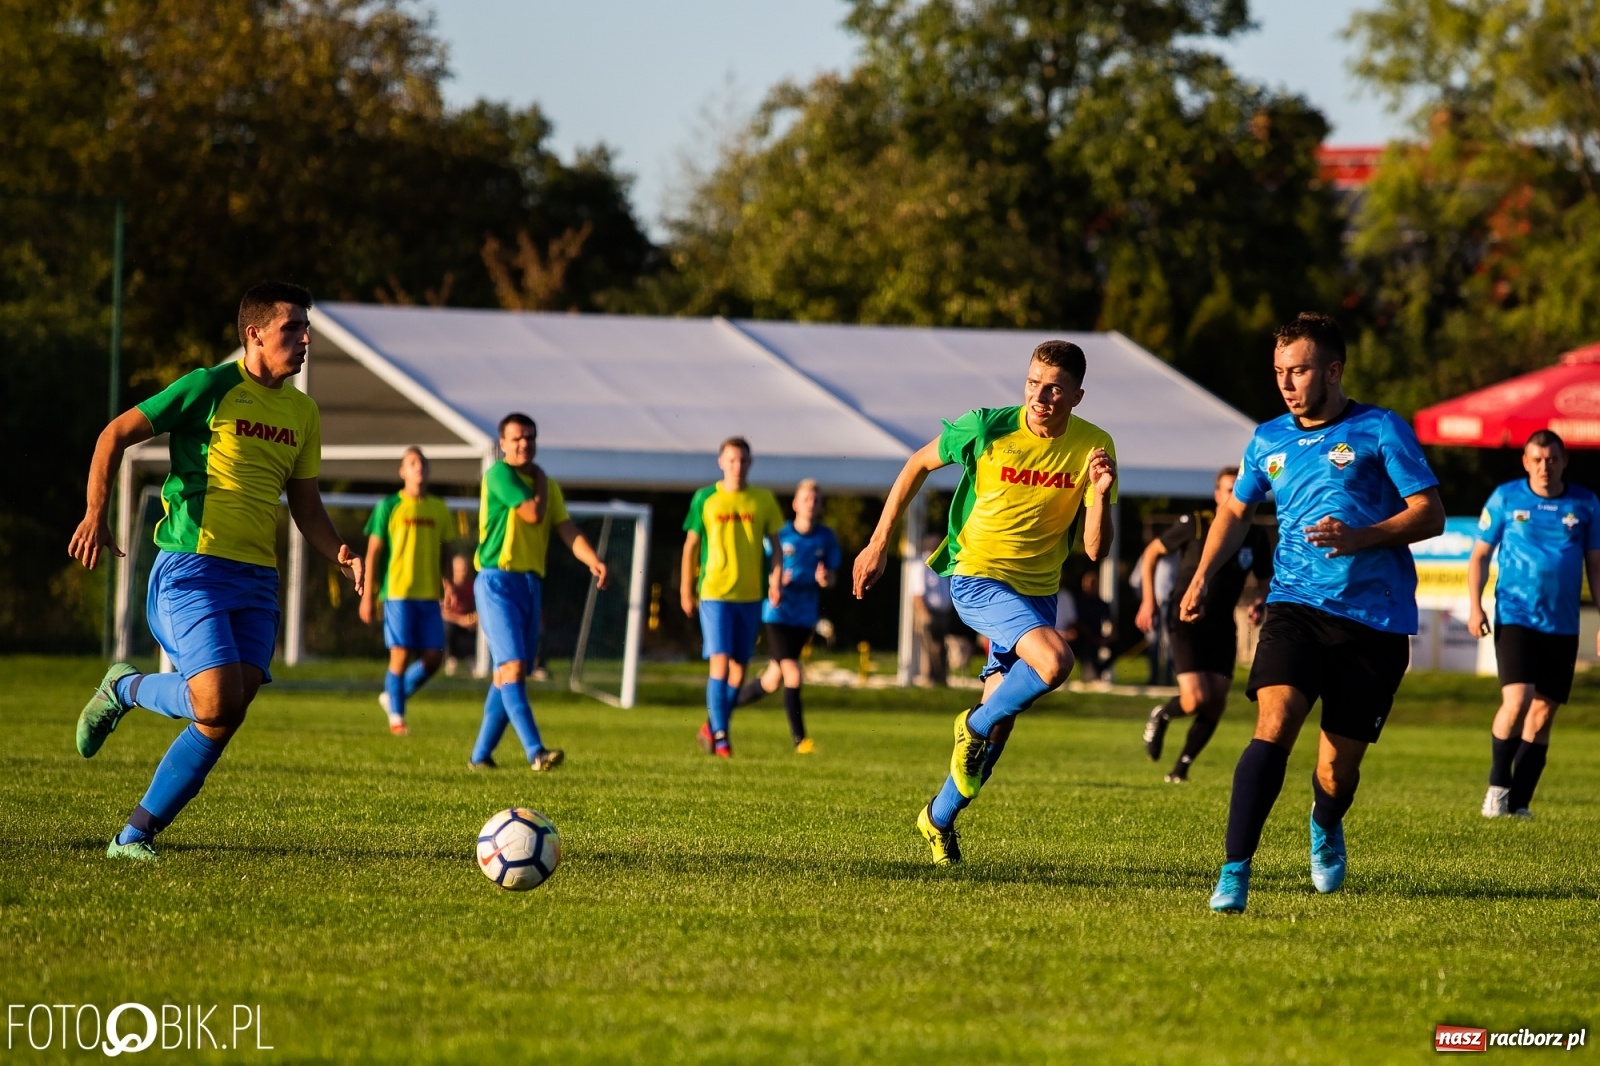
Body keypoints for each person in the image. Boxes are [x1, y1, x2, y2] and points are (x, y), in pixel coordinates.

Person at [69, 281, 363, 862]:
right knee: (215, 699)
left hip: (259, 581)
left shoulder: (303, 412)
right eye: (292, 329)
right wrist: (95, 513)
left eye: (307, 329)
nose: (304, 340)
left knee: (228, 712)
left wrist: (340, 552)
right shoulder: (209, 387)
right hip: (192, 569)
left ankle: (132, 838)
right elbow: (114, 435)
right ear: (254, 335)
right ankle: (123, 688)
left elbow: (305, 505)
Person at [1179, 313, 1443, 913]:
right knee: (1274, 724)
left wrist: (1362, 536)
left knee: (1335, 772)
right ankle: (1233, 872)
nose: (1287, 384)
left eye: (1298, 371)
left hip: (1373, 621)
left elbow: (1428, 513)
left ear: (1332, 369)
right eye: (1279, 372)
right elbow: (1236, 512)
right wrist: (1201, 577)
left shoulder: (1381, 429)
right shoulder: (1266, 438)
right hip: (1294, 604)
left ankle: (1325, 821)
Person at [853, 340, 1117, 866]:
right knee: (1055, 661)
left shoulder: (1095, 447)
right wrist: (878, 543)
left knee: (1000, 725)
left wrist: (1101, 493)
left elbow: (1095, 549)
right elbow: (916, 464)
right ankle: (969, 726)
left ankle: (938, 818)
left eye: (1055, 389)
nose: (1040, 396)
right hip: (977, 578)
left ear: (1077, 396)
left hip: (1037, 594)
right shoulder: (987, 425)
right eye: (1033, 383)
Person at [1466, 430, 1600, 819]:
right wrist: (1475, 607)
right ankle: (1496, 787)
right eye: (1537, 459)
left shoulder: (1586, 504)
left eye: (1552, 459)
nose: (1545, 466)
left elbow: (1596, 566)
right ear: (1525, 462)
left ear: (1564, 461)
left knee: (1543, 714)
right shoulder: (1506, 498)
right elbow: (1479, 557)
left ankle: (1520, 803)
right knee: (1518, 699)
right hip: (1516, 614)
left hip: (1562, 623)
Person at [469, 413, 608, 770]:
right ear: (502, 443)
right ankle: (536, 752)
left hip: (530, 584)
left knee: (508, 673)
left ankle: (480, 756)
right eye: (516, 438)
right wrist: (542, 480)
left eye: (529, 437)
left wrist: (593, 560)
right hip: (497, 580)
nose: (524, 444)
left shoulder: (548, 487)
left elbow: (567, 529)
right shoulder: (500, 475)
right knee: (513, 668)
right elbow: (532, 513)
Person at [1138, 467, 1272, 782]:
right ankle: (1163, 714)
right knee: (1197, 697)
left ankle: (1181, 768)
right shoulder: (1196, 523)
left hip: (1223, 625)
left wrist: (1260, 602)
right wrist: (1148, 600)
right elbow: (1152, 552)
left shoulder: (1254, 534)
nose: (1232, 496)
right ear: (1216, 494)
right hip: (1185, 620)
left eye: (1237, 490)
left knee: (1217, 701)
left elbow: (1265, 578)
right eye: (1226, 489)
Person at [681, 437, 785, 758]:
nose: (737, 466)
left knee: (739, 670)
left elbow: (777, 545)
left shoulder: (763, 500)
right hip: (714, 592)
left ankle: (711, 726)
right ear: (721, 462)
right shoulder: (705, 498)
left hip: (750, 594)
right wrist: (686, 589)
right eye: (731, 460)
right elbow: (690, 547)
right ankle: (722, 737)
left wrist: (775, 580)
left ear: (750, 463)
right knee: (721, 664)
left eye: (743, 460)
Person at [733, 478, 842, 752]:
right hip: (777, 613)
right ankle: (800, 740)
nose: (811, 504)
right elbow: (761, 566)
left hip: (804, 617)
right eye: (806, 498)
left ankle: (723, 709)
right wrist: (776, 579)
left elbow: (832, 578)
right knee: (793, 672)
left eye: (816, 500)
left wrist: (825, 578)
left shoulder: (825, 537)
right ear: (795, 504)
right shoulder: (780, 535)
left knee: (771, 680)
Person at [359, 446, 453, 735]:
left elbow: (446, 550)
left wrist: (448, 585)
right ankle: (397, 717)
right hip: (397, 593)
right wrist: (368, 595)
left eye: (423, 462)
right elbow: (373, 552)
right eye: (412, 463)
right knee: (399, 654)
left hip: (428, 594)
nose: (419, 467)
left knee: (435, 657)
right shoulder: (388, 506)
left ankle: (392, 696)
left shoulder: (439, 508)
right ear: (402, 471)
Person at [908, 533, 955, 685]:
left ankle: (941, 678)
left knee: (941, 647)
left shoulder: (942, 564)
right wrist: (924, 614)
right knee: (930, 647)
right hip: (928, 612)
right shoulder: (921, 565)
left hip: (942, 612)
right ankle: (929, 678)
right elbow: (918, 592)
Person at [1060, 569, 1114, 682]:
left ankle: (1097, 672)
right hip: (1085, 637)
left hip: (1093, 636)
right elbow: (1079, 624)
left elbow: (1111, 620)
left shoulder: (1101, 603)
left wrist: (1107, 637)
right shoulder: (1080, 602)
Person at [442, 553, 479, 677]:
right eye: (458, 570)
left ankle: (473, 660)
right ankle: (450, 660)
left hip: (468, 624)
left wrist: (474, 618)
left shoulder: (472, 586)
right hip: (453, 623)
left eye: (464, 569)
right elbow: (442, 613)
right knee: (447, 627)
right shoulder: (446, 587)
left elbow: (477, 607)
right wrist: (461, 620)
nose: (462, 573)